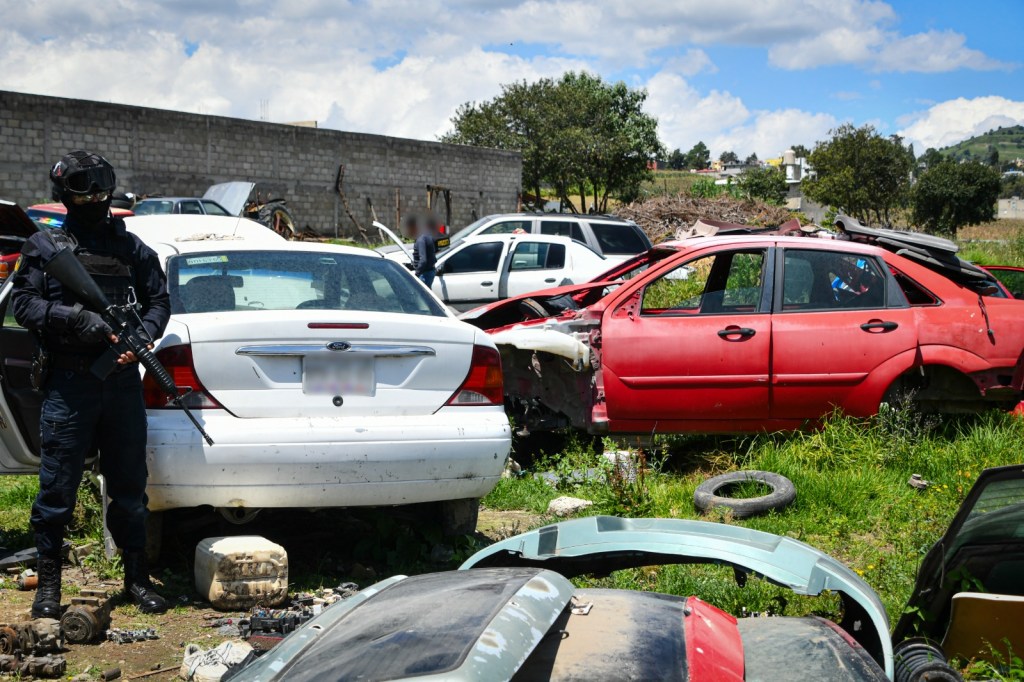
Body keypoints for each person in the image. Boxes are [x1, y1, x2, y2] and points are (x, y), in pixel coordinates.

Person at [11, 150, 171, 616]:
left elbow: (159, 302)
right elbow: (23, 307)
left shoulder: (133, 249)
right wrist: (72, 319)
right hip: (69, 385)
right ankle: (49, 588)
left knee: (129, 488)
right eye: (86, 194)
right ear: (66, 198)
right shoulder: (44, 249)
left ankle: (136, 579)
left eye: (102, 192)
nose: (96, 201)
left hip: (120, 382)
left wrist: (137, 338)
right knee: (56, 490)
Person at [408, 212, 438, 288]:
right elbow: (435, 251)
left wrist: (417, 273)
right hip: (430, 271)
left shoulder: (421, 240)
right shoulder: (428, 236)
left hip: (424, 274)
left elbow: (423, 260)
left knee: (421, 297)